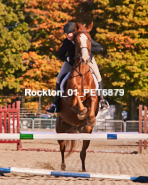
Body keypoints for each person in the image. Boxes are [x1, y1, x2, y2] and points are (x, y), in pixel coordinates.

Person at [47, 22, 109, 113]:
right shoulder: (66, 42)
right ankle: (55, 104)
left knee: (98, 76)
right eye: (66, 33)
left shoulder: (83, 37)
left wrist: (86, 49)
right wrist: (67, 59)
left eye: (69, 33)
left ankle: (102, 100)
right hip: (71, 62)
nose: (68, 35)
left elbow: (100, 48)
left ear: (75, 32)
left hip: (87, 61)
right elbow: (60, 55)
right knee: (59, 78)